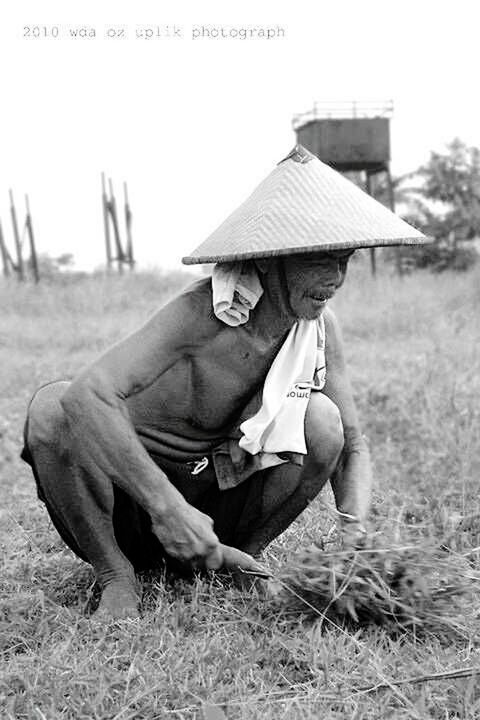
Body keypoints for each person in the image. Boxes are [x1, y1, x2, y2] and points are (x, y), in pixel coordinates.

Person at [21, 146, 428, 619]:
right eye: (321, 260)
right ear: (273, 257)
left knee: (324, 421)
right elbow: (88, 396)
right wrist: (168, 510)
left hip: (218, 506)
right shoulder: (201, 314)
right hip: (134, 505)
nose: (335, 278)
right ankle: (116, 573)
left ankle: (235, 559)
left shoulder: (317, 327)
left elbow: (352, 444)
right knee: (52, 407)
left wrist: (355, 535)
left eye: (345, 260)